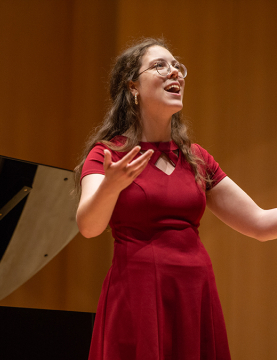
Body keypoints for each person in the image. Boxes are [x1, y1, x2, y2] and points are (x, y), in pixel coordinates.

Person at [74, 37, 276, 360]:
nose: (175, 73)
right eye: (160, 66)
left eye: (177, 67)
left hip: (194, 295)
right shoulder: (108, 155)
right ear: (133, 87)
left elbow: (262, 223)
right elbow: (88, 226)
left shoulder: (197, 158)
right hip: (138, 297)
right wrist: (110, 187)